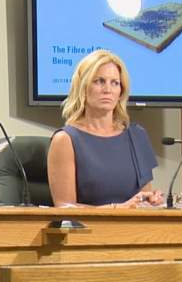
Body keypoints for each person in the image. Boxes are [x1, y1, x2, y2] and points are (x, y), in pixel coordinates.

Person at [46, 49, 162, 208]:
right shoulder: (65, 140)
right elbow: (64, 207)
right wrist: (116, 209)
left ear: (121, 91)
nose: (108, 89)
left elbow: (143, 199)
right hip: (89, 231)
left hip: (134, 231)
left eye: (115, 83)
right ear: (83, 87)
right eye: (99, 81)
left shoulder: (137, 136)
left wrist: (151, 200)